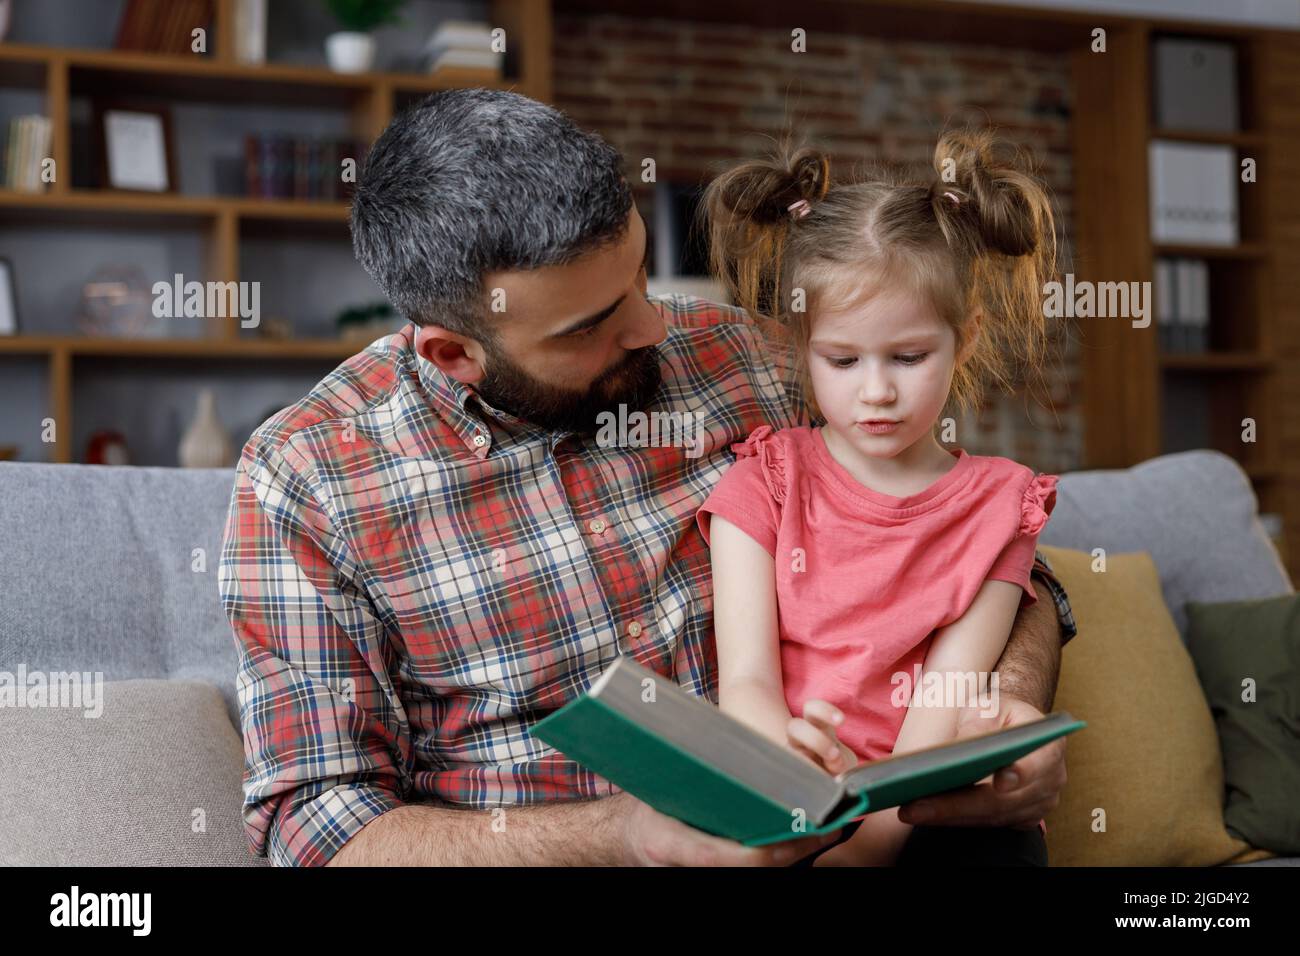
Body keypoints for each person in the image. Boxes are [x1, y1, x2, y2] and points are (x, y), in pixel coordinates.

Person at [217, 89, 1076, 867]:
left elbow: (973, 547)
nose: (654, 324)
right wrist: (620, 837)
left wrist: (1001, 719)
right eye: (593, 323)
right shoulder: (309, 479)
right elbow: (319, 825)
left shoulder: (747, 360)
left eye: (637, 275)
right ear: (456, 352)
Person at [696, 129, 1065, 866]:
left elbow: (945, 699)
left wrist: (865, 851)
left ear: (964, 342)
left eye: (908, 357)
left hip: (921, 809)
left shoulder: (1001, 505)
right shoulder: (764, 480)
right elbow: (745, 683)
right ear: (800, 349)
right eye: (841, 359)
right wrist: (800, 801)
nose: (876, 392)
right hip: (791, 799)